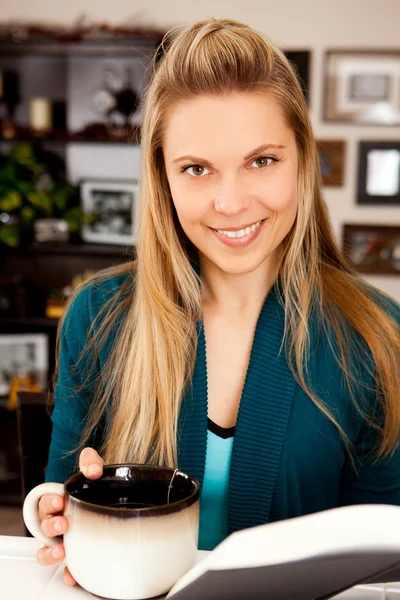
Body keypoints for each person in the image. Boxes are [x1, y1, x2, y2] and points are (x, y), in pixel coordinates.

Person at [35, 18, 400, 586]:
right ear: (163, 178)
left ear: (304, 162)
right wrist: (52, 515)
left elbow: (383, 559)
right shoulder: (97, 316)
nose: (230, 203)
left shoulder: (376, 335)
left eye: (262, 160)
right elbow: (58, 492)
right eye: (197, 169)